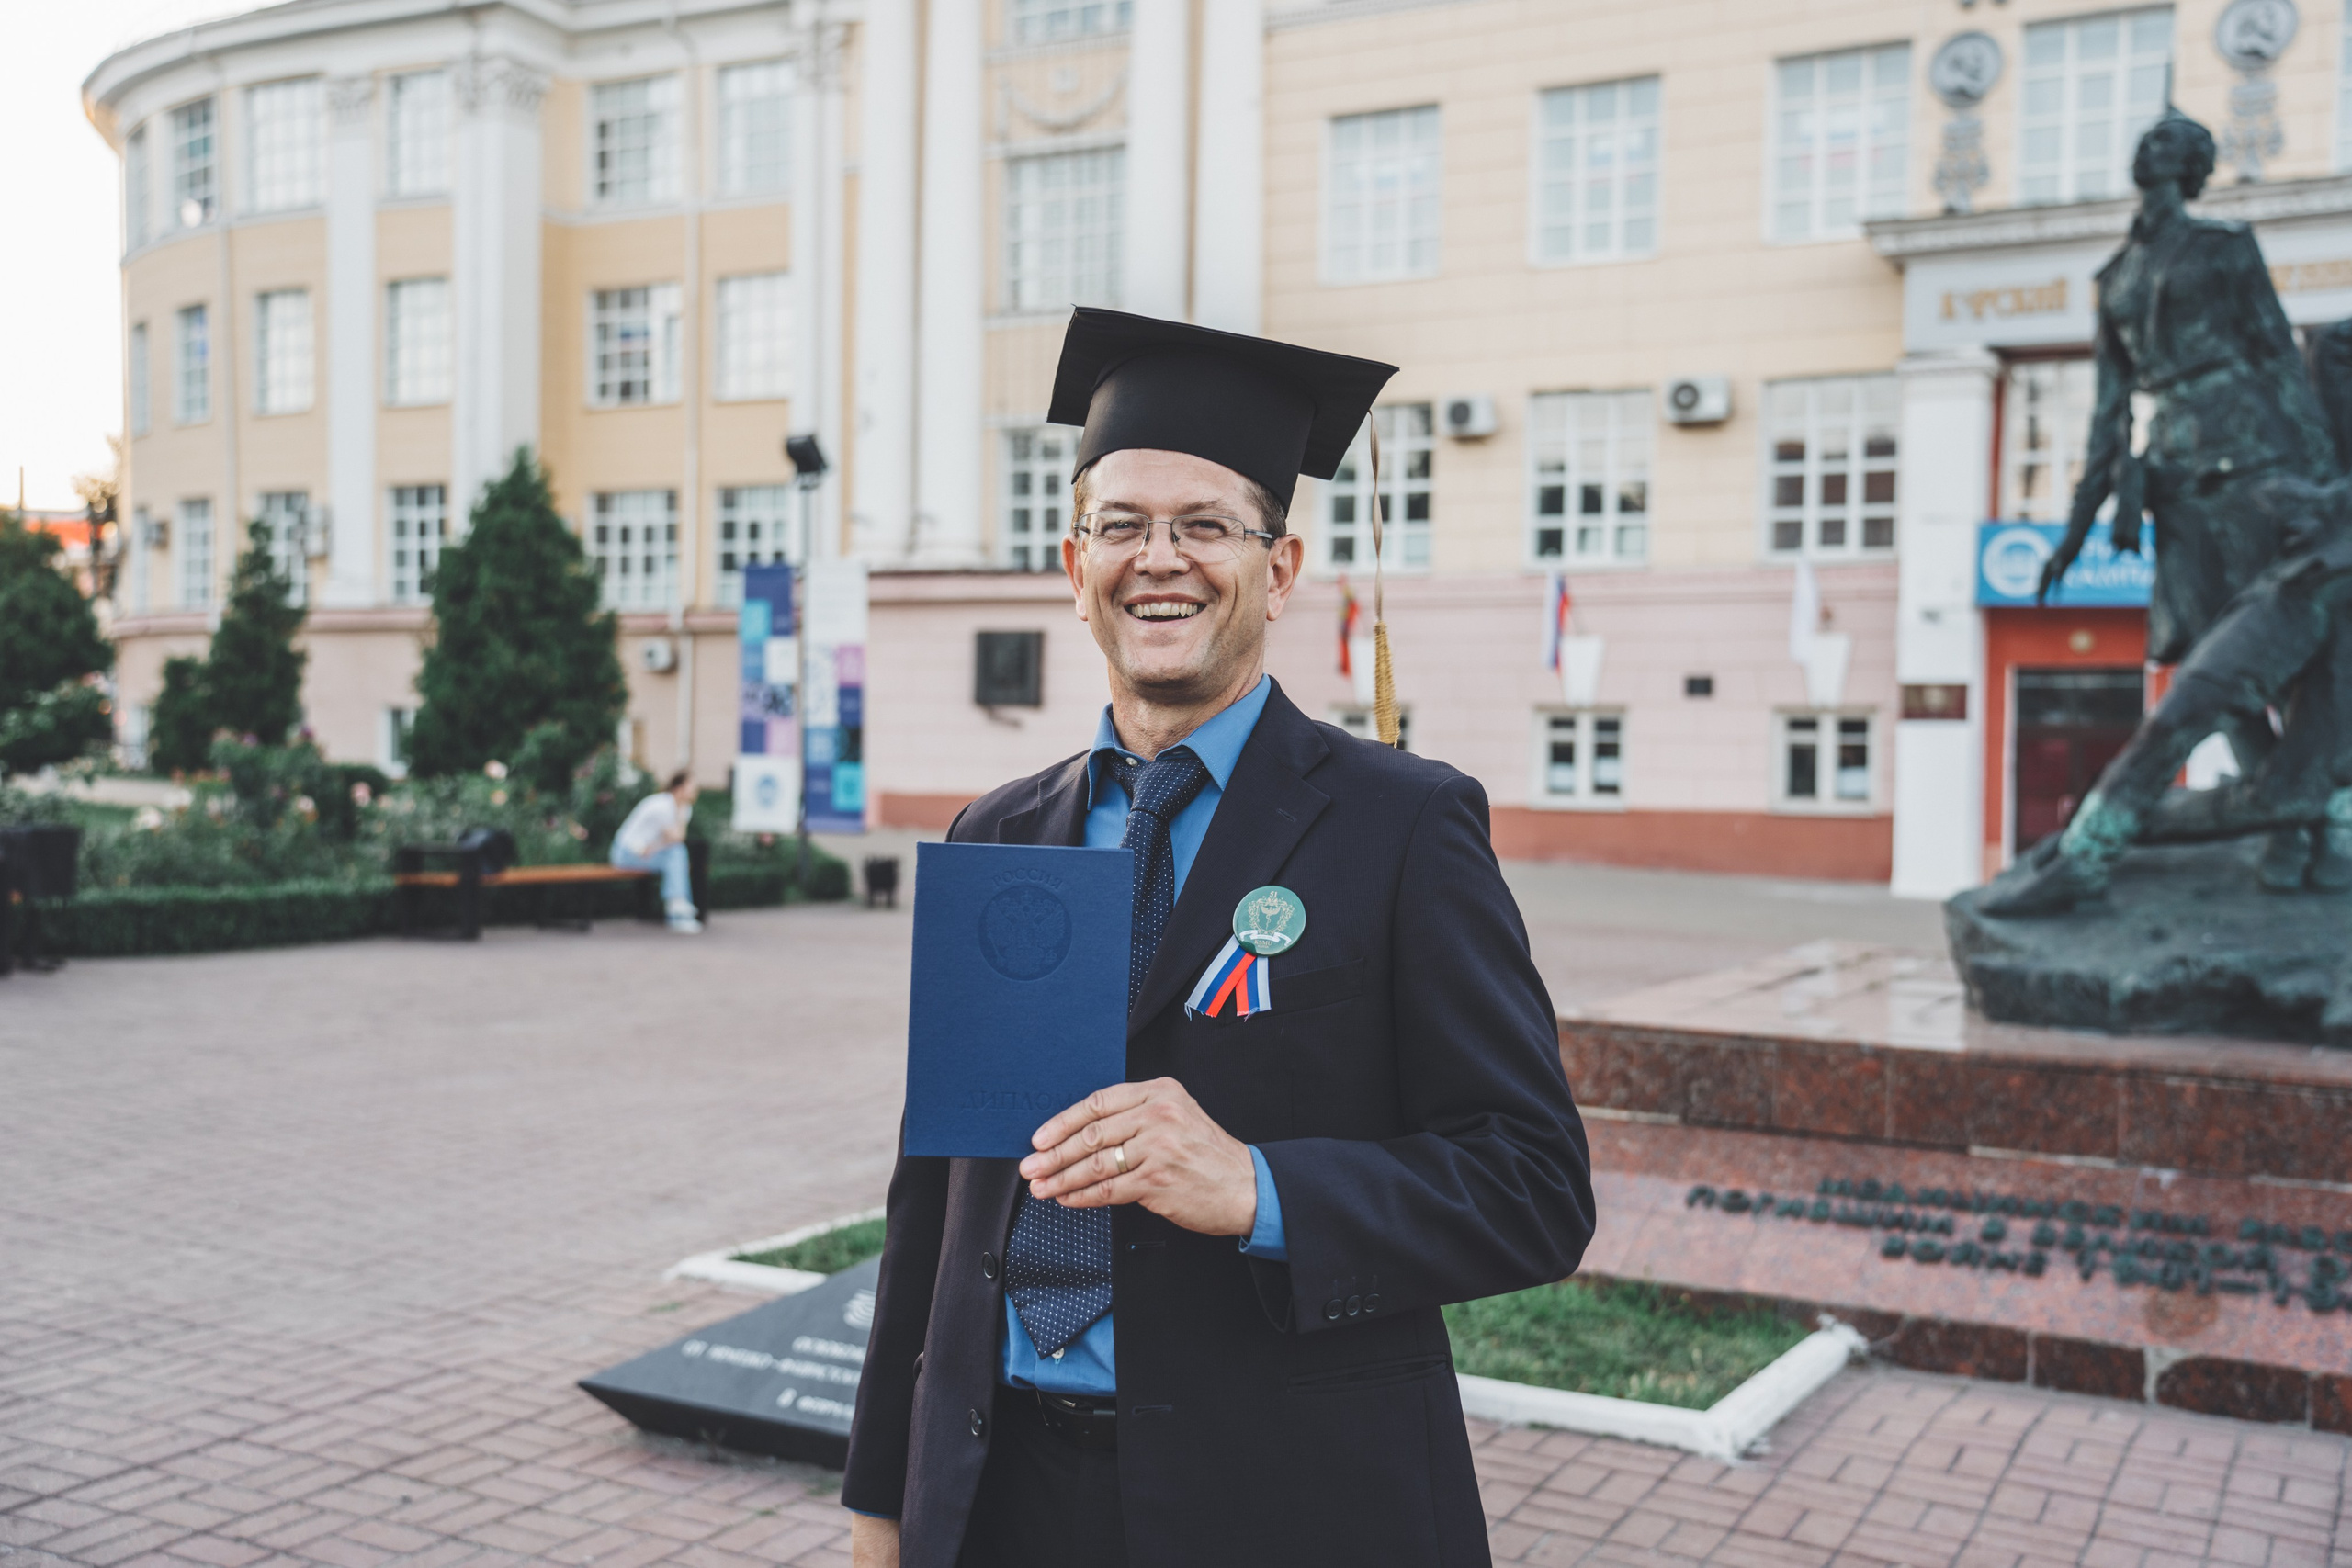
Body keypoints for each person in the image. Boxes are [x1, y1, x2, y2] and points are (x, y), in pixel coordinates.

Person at [841, 308, 1596, 1567]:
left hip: (1287, 1501)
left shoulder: (1403, 825)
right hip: (1002, 1494)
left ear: (1281, 568)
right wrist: (882, 1503)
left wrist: (1260, 1186)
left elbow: (1534, 1184)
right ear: (1072, 562)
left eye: (1205, 526)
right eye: (1123, 525)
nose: (1162, 560)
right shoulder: (1001, 832)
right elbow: (933, 1210)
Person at [2036, 108, 2341, 886]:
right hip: (2175, 478)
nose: (2153, 146)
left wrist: (2324, 483)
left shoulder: (2224, 247)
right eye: (2149, 138)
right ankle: (2289, 812)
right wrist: (2073, 533)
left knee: (2291, 643)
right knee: (2207, 656)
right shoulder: (2114, 280)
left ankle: (2309, 814)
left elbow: (2277, 351)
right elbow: (2108, 415)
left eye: (2174, 141)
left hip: (2257, 456)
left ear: (2196, 166)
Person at [1984, 473, 2352, 914]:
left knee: (2292, 792)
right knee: (2186, 705)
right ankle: (2085, 853)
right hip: (2308, 571)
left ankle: (2096, 838)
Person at [611, 769, 702, 932]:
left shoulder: (685, 808)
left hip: (649, 852)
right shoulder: (662, 806)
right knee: (677, 853)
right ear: (678, 788)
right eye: (691, 786)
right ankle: (677, 910)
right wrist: (651, 848)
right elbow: (677, 837)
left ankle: (678, 908)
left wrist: (653, 848)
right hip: (625, 853)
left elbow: (672, 840)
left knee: (677, 855)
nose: (695, 790)